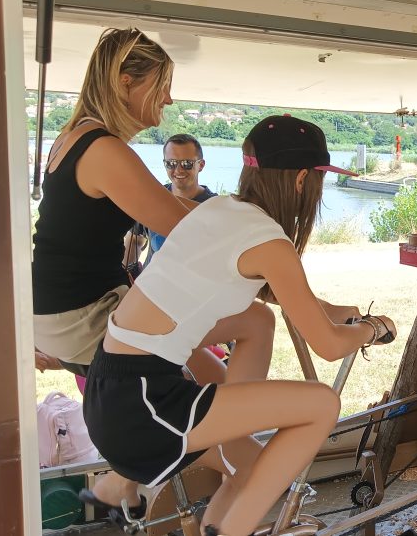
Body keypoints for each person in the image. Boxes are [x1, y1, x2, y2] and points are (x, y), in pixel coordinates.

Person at [83, 115, 397, 536]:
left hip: (108, 386)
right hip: (144, 405)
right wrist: (374, 329)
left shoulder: (220, 210)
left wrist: (335, 310)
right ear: (301, 179)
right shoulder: (270, 242)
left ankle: (217, 497)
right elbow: (328, 345)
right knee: (322, 404)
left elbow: (272, 293)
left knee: (257, 320)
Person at [30, 27, 266, 522]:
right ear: (124, 82)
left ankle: (131, 479)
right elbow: (185, 229)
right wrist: (264, 248)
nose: (169, 99)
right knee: (255, 325)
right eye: (162, 86)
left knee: (221, 367)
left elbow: (170, 210)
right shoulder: (103, 149)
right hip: (84, 313)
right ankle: (155, 474)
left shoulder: (76, 140)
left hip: (65, 310)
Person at [132, 133, 217, 266]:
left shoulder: (214, 206)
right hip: (151, 278)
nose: (178, 170)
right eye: (171, 163)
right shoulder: (153, 196)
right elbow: (135, 240)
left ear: (201, 165)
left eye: (187, 163)